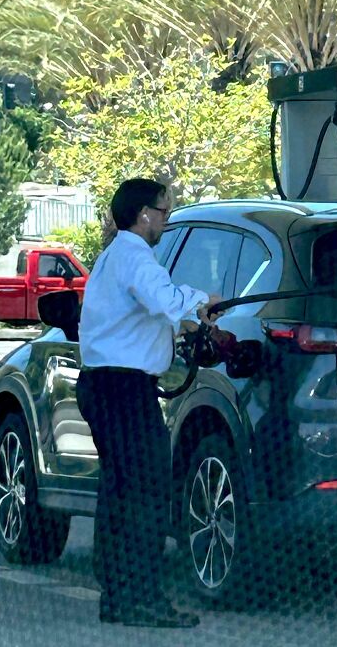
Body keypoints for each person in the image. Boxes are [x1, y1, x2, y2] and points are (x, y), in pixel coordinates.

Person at [76, 178, 220, 628]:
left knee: (120, 492)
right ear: (143, 215)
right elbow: (164, 298)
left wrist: (183, 323)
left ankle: (118, 596)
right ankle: (143, 600)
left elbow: (142, 315)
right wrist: (203, 301)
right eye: (163, 211)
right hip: (124, 391)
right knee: (147, 493)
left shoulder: (113, 256)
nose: (166, 220)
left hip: (105, 386)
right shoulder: (136, 257)